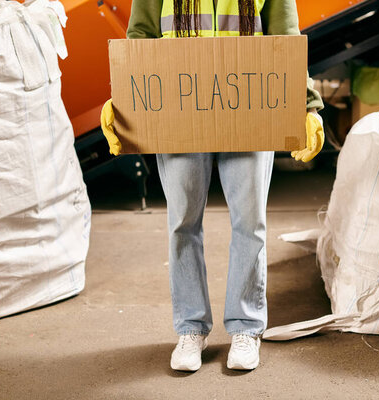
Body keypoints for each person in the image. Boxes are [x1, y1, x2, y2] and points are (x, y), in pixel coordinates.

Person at [101, 0, 324, 372]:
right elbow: (140, 36)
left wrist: (307, 105)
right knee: (182, 223)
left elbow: (284, 38)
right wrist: (125, 101)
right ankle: (191, 328)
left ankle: (246, 327)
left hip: (252, 107)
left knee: (249, 223)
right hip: (178, 107)